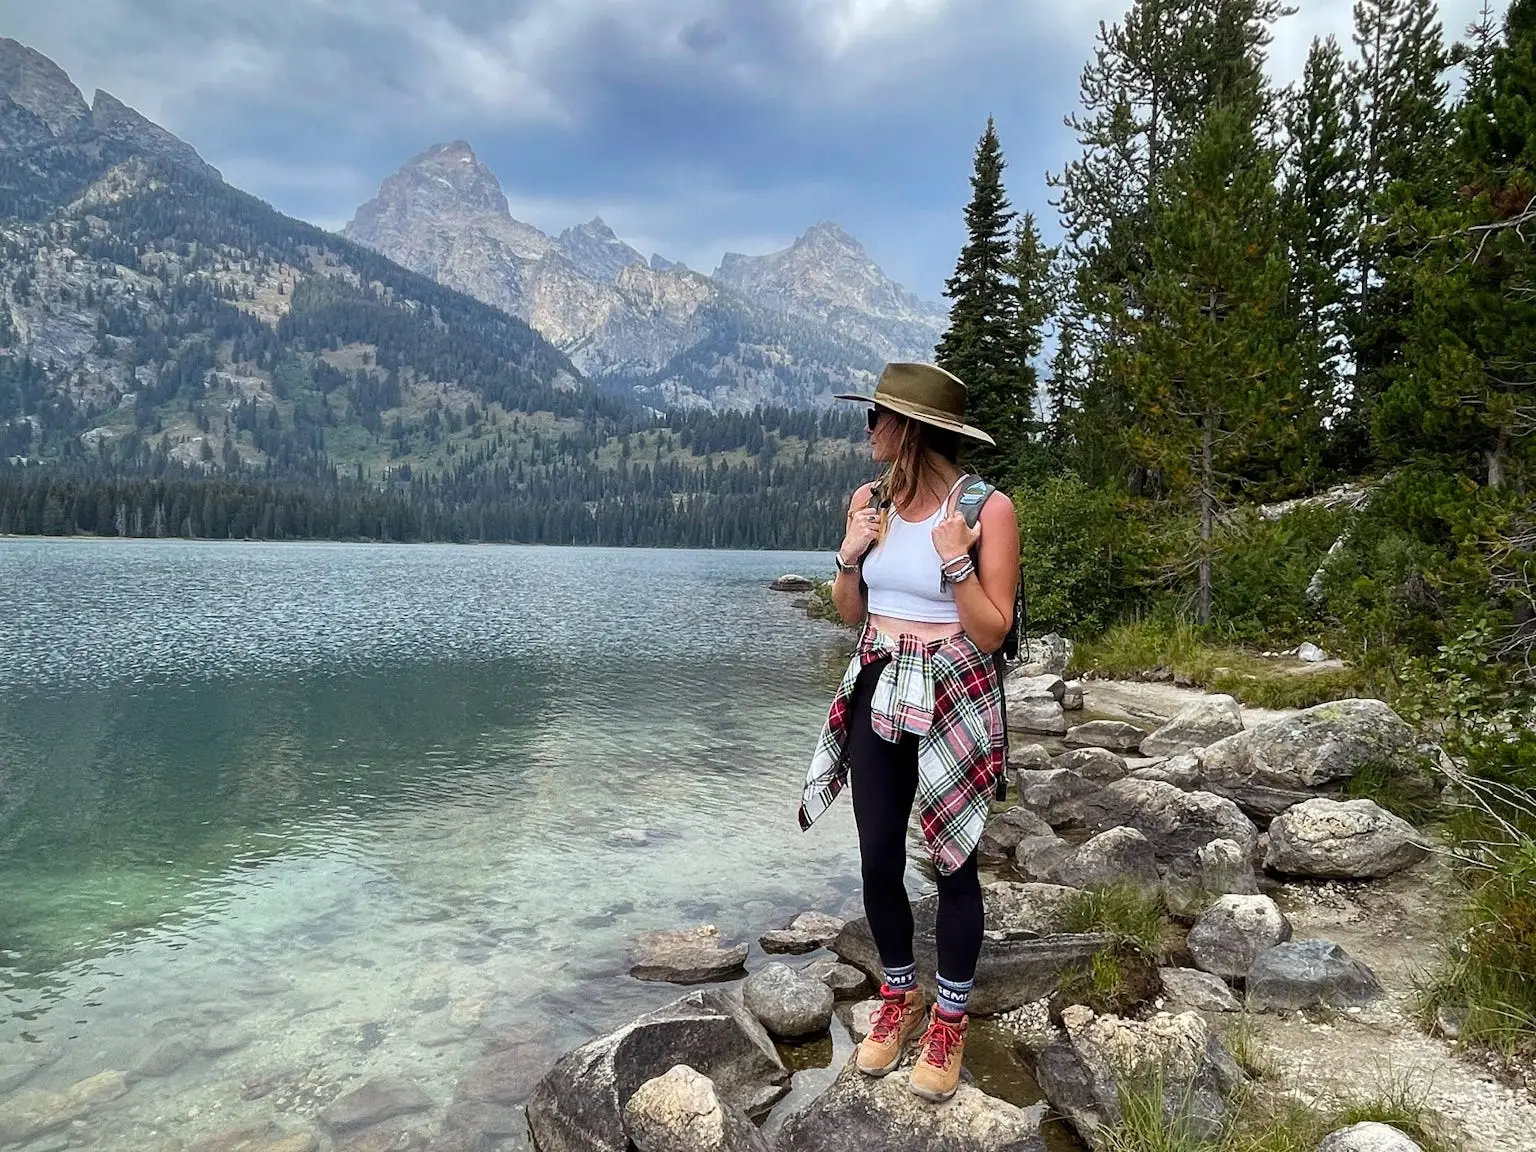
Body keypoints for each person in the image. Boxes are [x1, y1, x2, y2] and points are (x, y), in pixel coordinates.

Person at [798, 361, 1019, 1103]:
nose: (867, 432)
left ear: (912, 430)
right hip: (877, 680)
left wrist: (956, 557)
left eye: (876, 419)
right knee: (877, 855)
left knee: (953, 862)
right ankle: (900, 994)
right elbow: (849, 613)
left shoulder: (989, 510)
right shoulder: (868, 501)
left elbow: (991, 632)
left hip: (954, 688)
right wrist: (848, 555)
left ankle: (950, 1014)